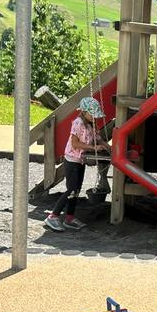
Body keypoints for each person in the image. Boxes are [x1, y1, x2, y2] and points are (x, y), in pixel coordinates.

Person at [45, 95, 109, 232]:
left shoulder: (91, 124)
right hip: (72, 160)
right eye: (91, 114)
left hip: (81, 160)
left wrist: (108, 147)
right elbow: (75, 144)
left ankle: (69, 217)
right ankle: (53, 216)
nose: (94, 117)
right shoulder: (78, 123)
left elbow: (99, 139)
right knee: (71, 189)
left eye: (95, 115)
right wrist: (93, 148)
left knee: (77, 190)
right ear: (84, 112)